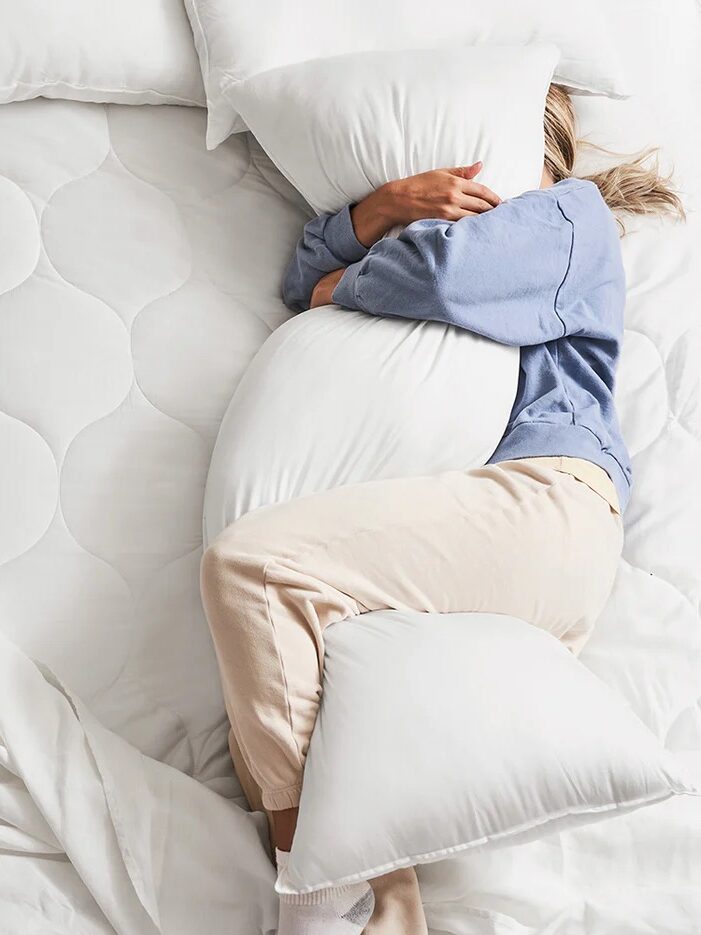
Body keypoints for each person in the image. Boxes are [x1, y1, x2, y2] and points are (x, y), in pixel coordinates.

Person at [200, 84, 684, 935]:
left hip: (545, 504)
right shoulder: (426, 228)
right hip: (477, 531)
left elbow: (442, 270)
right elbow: (298, 281)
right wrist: (375, 208)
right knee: (299, 715)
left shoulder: (568, 218)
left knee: (253, 567)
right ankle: (382, 907)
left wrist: (353, 269)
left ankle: (308, 888)